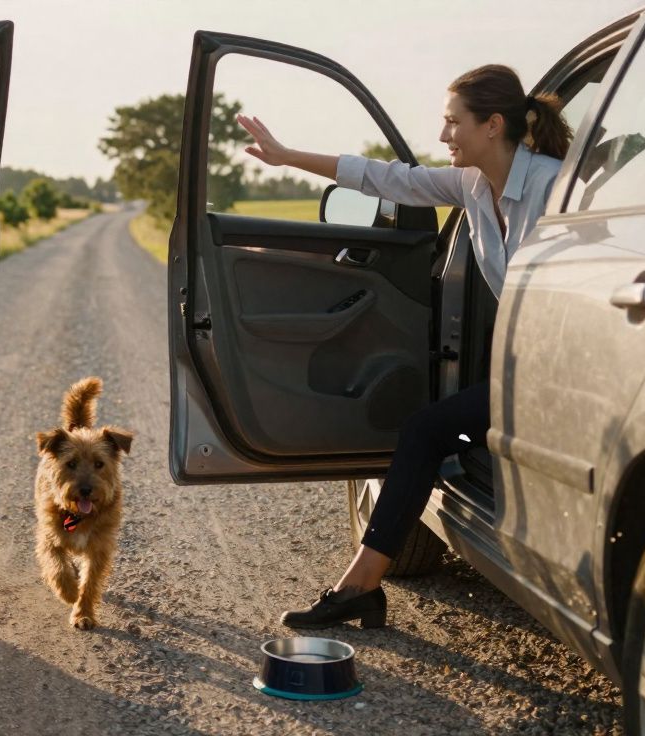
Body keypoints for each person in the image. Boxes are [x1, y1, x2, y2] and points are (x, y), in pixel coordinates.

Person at [237, 64, 572, 629]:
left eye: (451, 122)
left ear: (492, 125)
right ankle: (360, 586)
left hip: (568, 374)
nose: (443, 136)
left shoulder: (554, 188)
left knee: (426, 428)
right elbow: (384, 179)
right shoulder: (470, 184)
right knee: (425, 427)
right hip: (524, 370)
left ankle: (360, 587)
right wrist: (287, 155)